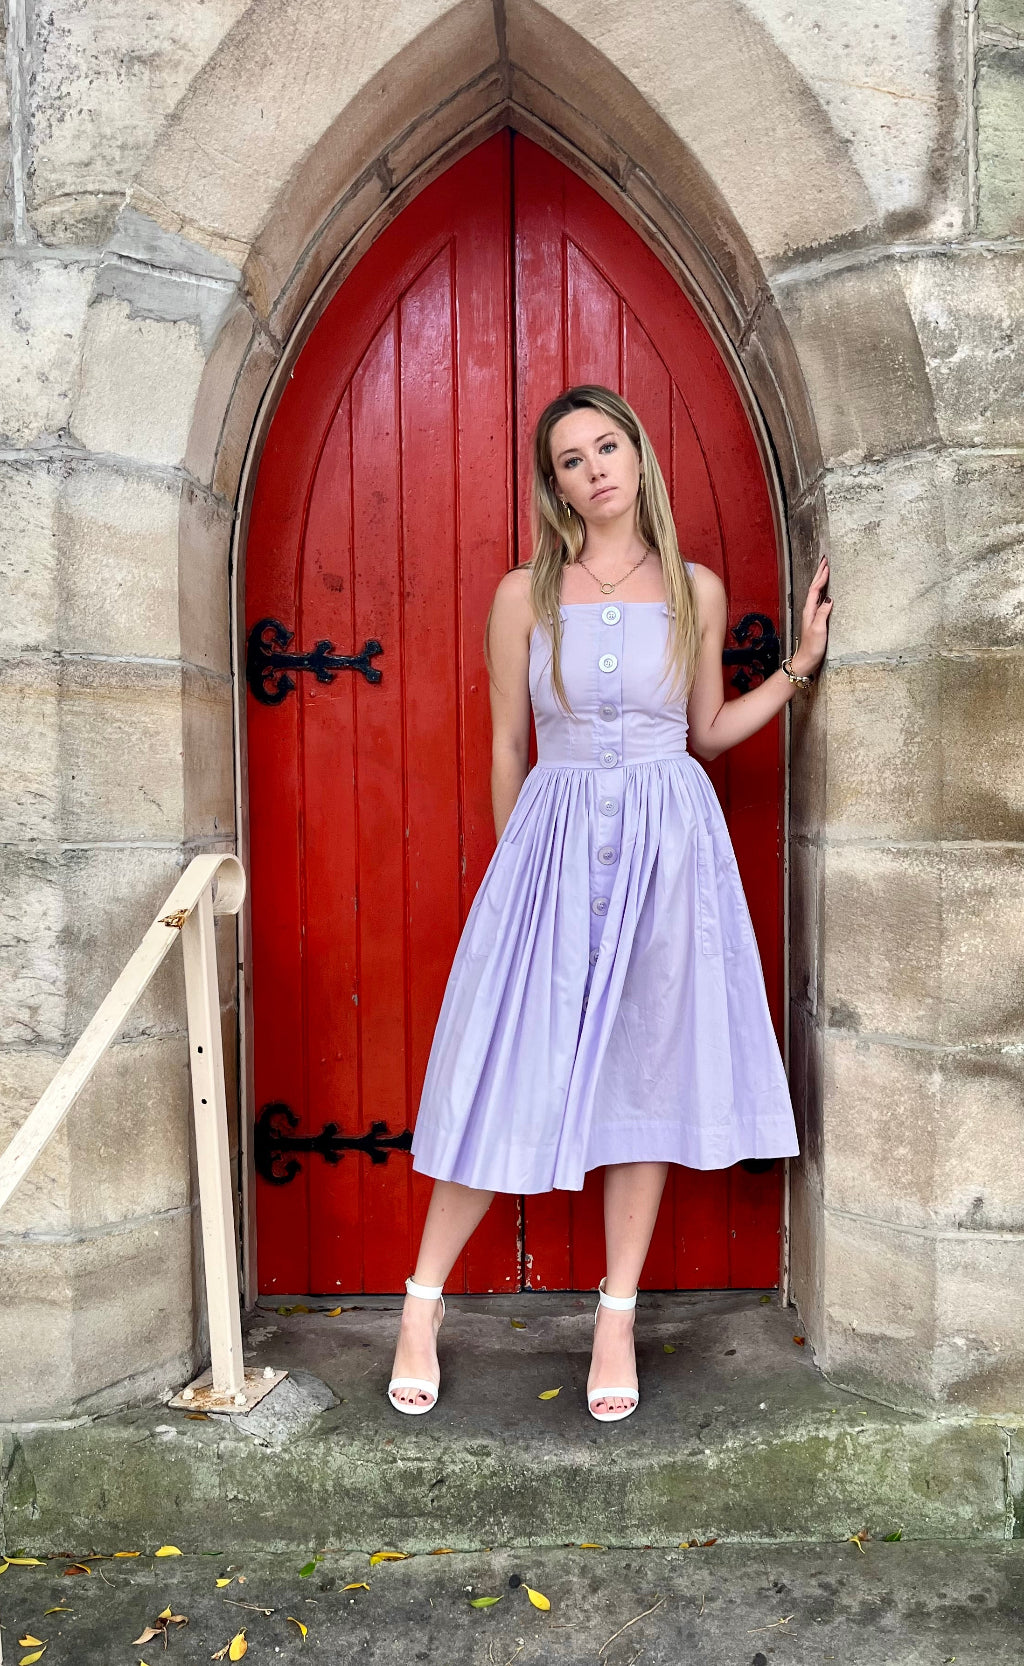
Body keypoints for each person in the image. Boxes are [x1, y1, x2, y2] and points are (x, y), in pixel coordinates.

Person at [387, 385, 832, 1422]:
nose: (594, 469)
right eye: (570, 459)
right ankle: (421, 1305)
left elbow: (709, 732)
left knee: (643, 1066)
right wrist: (514, 873)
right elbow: (507, 744)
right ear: (554, 486)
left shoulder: (694, 589)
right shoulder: (521, 596)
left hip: (669, 850)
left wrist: (797, 670)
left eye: (607, 446)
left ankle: (616, 1313)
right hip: (551, 847)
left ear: (637, 456)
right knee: (504, 1063)